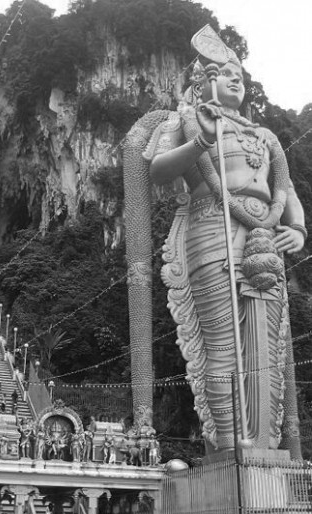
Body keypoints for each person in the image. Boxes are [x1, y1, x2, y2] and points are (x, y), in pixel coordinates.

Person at [127, 32, 306, 456]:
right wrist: (201, 141)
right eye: (224, 73)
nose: (235, 81)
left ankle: (265, 445)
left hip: (265, 235)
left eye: (239, 75)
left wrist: (296, 229)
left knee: (267, 347)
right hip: (211, 229)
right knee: (223, 347)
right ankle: (229, 445)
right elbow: (157, 171)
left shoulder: (263, 135)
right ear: (200, 81)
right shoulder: (187, 121)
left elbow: (287, 189)